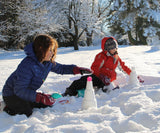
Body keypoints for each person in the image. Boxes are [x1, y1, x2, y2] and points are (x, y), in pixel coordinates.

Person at [2, 34, 91, 117]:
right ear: (41, 49)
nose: (52, 53)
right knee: (27, 112)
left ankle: (24, 103)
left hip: (25, 92)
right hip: (12, 94)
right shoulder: (27, 65)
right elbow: (20, 90)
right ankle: (7, 106)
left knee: (45, 104)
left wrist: (77, 69)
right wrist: (39, 97)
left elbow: (61, 68)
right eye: (50, 50)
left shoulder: (47, 63)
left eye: (53, 50)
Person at [62, 36, 133, 96]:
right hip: (98, 77)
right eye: (111, 48)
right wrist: (101, 76)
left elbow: (124, 67)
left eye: (115, 47)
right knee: (83, 80)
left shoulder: (116, 58)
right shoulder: (101, 56)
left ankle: (107, 90)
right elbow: (94, 68)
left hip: (108, 80)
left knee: (105, 86)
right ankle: (70, 91)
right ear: (106, 49)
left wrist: (133, 75)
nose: (114, 49)